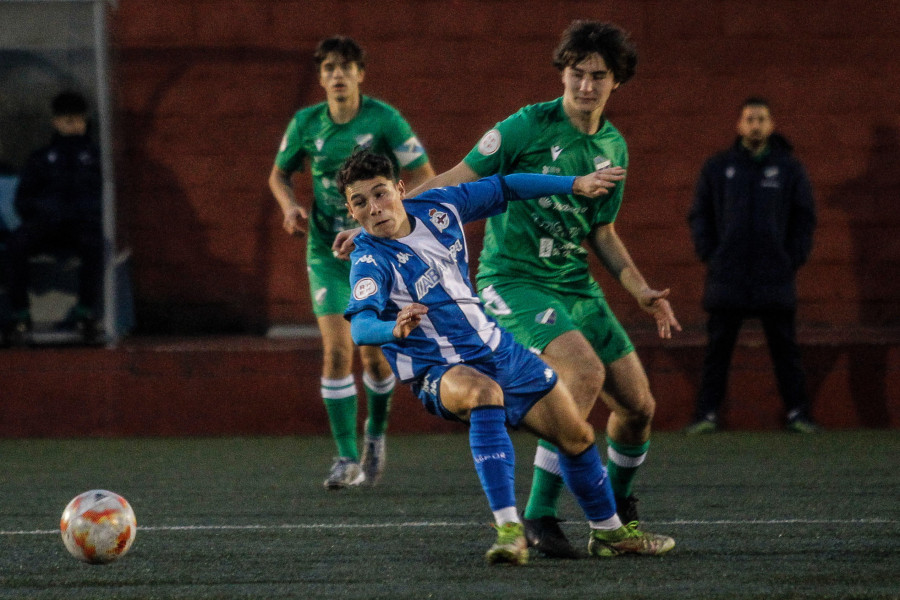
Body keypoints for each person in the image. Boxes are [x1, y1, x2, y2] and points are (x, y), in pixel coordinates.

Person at [336, 20, 679, 558]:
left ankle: (614, 524)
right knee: (567, 376)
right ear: (562, 73)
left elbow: (534, 200)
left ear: (616, 82)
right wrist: (373, 238)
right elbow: (458, 173)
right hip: (512, 283)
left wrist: (636, 286)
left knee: (631, 410)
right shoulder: (525, 126)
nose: (585, 85)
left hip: (565, 289)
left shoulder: (612, 147)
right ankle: (524, 523)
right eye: (576, 73)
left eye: (598, 76)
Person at [268, 36, 435, 490]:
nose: (337, 76)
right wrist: (288, 206)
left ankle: (374, 435)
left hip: (374, 252)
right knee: (337, 350)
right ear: (321, 77)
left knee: (375, 358)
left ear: (361, 73)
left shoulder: (384, 119)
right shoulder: (306, 124)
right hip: (326, 251)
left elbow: (424, 174)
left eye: (345, 67)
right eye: (328, 69)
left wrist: (394, 215)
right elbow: (279, 173)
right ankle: (345, 459)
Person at [686, 97, 818, 434]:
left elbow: (804, 217)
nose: (755, 125)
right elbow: (699, 214)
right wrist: (711, 254)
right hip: (727, 276)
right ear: (739, 125)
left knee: (785, 350)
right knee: (717, 350)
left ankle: (798, 414)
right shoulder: (718, 167)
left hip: (774, 277)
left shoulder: (789, 168)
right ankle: (706, 416)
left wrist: (791, 258)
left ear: (771, 124)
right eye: (749, 119)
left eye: (761, 119)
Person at [3, 91, 104, 346]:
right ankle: (20, 314)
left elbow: (103, 194)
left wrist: (85, 213)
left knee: (94, 245)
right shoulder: (41, 158)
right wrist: (43, 212)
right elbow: (23, 200)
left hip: (80, 225)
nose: (72, 125)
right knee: (16, 244)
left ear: (85, 120)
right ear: (56, 122)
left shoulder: (95, 157)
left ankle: (84, 313)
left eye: (77, 119)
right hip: (46, 225)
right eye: (66, 119)